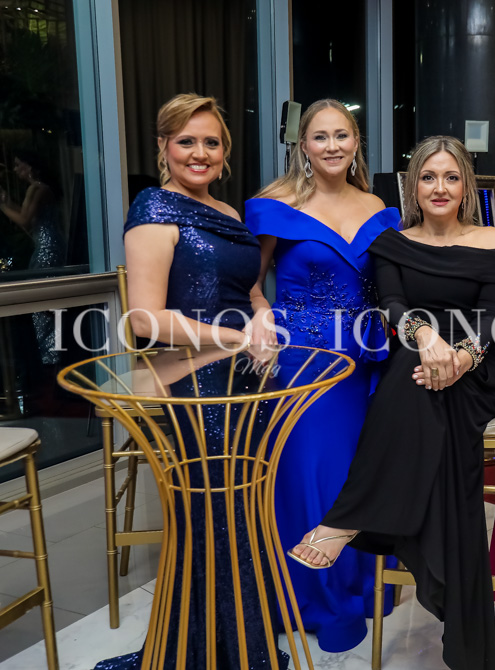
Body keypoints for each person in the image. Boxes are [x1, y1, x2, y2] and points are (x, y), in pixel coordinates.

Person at [289, 135, 495, 670]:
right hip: (420, 357)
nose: (440, 187)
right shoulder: (392, 242)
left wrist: (461, 357)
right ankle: (447, 590)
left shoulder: (490, 238)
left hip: (480, 367)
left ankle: (347, 517)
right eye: (428, 177)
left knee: (412, 381)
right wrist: (426, 336)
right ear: (412, 186)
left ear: (466, 187)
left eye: (451, 177)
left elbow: (492, 314)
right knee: (413, 375)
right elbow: (392, 304)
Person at [94, 93, 287, 670]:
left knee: (244, 515)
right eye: (186, 141)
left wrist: (263, 317)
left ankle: (238, 643)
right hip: (195, 383)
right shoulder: (153, 210)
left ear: (225, 152)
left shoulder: (228, 212)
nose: (199, 153)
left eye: (211, 142)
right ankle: (210, 651)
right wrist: (235, 338)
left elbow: (250, 291)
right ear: (163, 147)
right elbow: (144, 319)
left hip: (248, 379)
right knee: (214, 518)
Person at [244, 99, 398, 652]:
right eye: (320, 136)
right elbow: (249, 281)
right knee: (312, 474)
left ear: (356, 142)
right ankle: (314, 598)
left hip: (366, 359)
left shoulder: (378, 206)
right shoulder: (275, 205)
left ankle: (358, 586)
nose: (332, 146)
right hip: (303, 361)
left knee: (358, 470)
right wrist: (260, 312)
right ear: (303, 145)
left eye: (342, 135)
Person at [0, 151, 65, 364]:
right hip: (49, 246)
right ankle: (51, 356)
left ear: (29, 166)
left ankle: (51, 357)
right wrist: (7, 201)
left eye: (18, 165)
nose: (15, 170)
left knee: (42, 303)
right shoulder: (40, 188)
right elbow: (26, 219)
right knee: (45, 301)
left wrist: (2, 206)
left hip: (47, 249)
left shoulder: (36, 189)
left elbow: (24, 220)